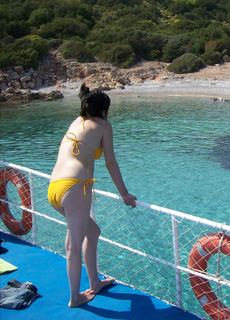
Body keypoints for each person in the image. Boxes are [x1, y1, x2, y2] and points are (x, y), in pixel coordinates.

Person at [48, 83, 137, 308]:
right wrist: (124, 193)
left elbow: (85, 160)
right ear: (103, 110)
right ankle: (75, 298)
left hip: (54, 188)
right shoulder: (104, 125)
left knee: (93, 232)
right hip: (74, 186)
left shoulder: (77, 122)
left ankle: (95, 281)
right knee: (73, 245)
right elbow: (110, 162)